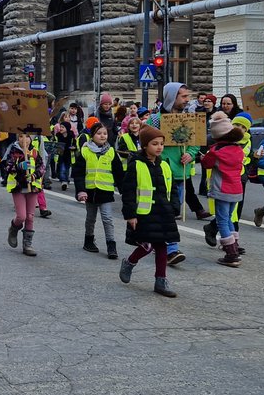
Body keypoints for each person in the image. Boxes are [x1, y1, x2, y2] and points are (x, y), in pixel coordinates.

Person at [144, 82, 209, 265]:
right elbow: (146, 141)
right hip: (160, 172)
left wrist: (191, 153)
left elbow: (196, 142)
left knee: (169, 211)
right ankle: (171, 249)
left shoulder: (189, 117)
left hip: (181, 174)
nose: (187, 100)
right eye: (184, 96)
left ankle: (158, 243)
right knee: (166, 212)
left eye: (188, 96)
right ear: (172, 97)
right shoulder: (155, 120)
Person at [118, 125, 180, 298]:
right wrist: (130, 215)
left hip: (163, 212)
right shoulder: (136, 165)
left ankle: (161, 280)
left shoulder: (165, 165)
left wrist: (175, 206)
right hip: (144, 213)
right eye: (155, 143)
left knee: (161, 246)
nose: (159, 147)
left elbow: (172, 188)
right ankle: (130, 262)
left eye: (161, 143)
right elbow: (128, 192)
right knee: (147, 245)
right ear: (145, 145)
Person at [200, 112, 247, 267]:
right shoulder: (239, 149)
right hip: (236, 189)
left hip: (222, 189)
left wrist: (203, 157)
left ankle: (231, 254)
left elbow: (207, 164)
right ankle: (234, 245)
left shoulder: (216, 151)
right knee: (229, 218)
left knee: (222, 221)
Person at [73, 121, 124, 259]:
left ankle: (111, 245)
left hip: (105, 191)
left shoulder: (111, 152)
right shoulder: (85, 151)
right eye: (99, 133)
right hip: (89, 191)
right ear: (92, 135)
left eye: (105, 133)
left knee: (107, 218)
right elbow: (78, 173)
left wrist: (124, 191)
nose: (102, 136)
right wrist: (80, 190)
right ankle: (88, 240)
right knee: (91, 218)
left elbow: (119, 173)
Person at [0, 132, 45, 257]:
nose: (24, 139)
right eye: (21, 136)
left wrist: (35, 175)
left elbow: (42, 167)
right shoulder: (13, 151)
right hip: (18, 187)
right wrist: (19, 166)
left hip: (32, 187)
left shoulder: (35, 152)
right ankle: (14, 228)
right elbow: (7, 166)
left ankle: (27, 244)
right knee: (21, 216)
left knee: (30, 217)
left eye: (27, 137)